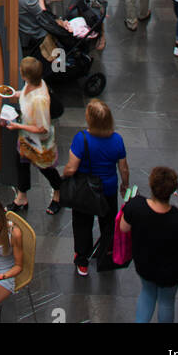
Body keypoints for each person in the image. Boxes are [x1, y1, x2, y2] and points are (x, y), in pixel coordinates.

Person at [119, 169, 178, 324]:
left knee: (147, 294)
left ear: (151, 185)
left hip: (145, 264)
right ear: (173, 191)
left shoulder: (136, 206)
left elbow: (123, 228)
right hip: (171, 271)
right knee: (167, 302)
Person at [61, 99, 129, 275]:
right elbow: (123, 167)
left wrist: (64, 174)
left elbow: (72, 167)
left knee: (82, 224)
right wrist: (125, 184)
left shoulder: (81, 138)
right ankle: (106, 254)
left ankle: (82, 260)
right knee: (108, 223)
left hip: (86, 190)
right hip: (108, 189)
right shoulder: (117, 140)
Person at [8, 56, 62, 215]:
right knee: (21, 164)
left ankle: (59, 193)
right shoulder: (32, 83)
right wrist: (16, 94)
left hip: (39, 142)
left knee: (46, 169)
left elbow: (42, 128)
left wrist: (17, 125)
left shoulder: (40, 100)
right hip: (26, 138)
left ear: (26, 76)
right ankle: (21, 197)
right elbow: (26, 94)